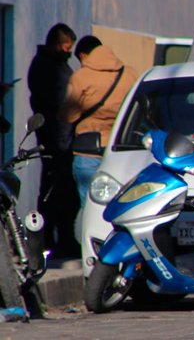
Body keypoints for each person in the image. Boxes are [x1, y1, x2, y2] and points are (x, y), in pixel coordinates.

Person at [59, 36, 138, 213]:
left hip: (88, 150)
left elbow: (69, 115)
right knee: (123, 206)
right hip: (122, 149)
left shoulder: (81, 77)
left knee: (90, 208)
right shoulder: (130, 74)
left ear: (83, 55)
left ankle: (91, 239)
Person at [27, 23, 81, 258]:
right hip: (55, 141)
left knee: (63, 195)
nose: (69, 52)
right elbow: (55, 106)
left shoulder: (56, 65)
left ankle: (60, 240)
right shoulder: (46, 68)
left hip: (61, 140)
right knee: (54, 194)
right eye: (66, 47)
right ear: (56, 45)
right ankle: (51, 241)